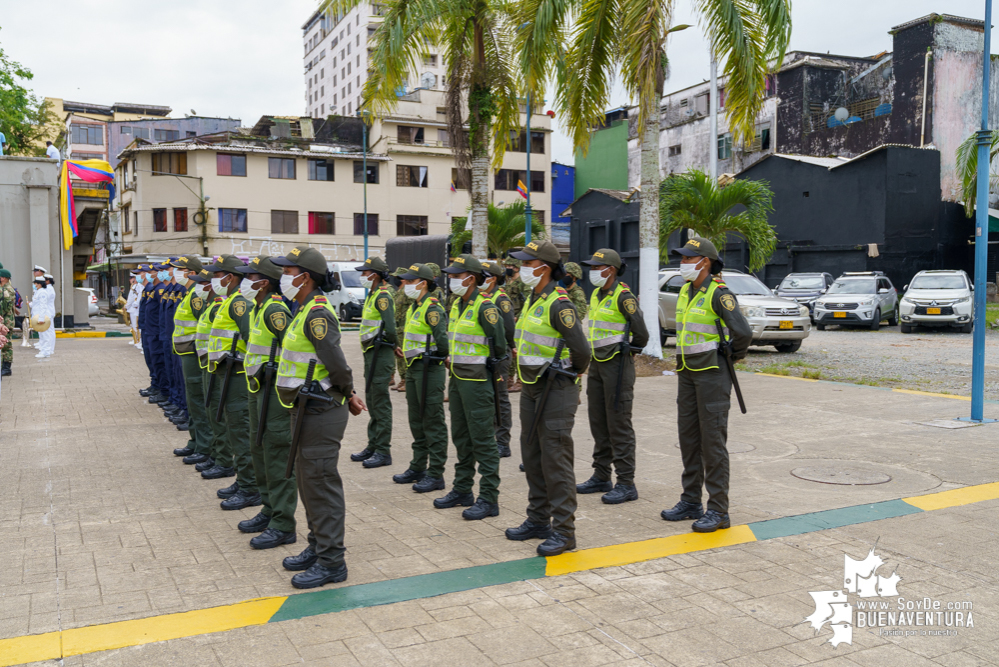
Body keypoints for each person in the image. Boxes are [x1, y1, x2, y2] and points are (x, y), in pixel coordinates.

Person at [273, 245, 366, 588]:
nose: (283, 276)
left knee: (321, 484)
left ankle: (332, 562)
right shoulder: (303, 309)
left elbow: (337, 364)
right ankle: (317, 546)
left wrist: (348, 393)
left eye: (287, 271)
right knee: (308, 483)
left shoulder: (317, 313)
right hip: (305, 407)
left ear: (304, 277)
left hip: (321, 408)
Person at [504, 240, 589, 556]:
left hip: (556, 389)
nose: (522, 268)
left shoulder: (559, 303)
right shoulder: (533, 298)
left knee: (556, 460)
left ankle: (564, 531)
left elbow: (582, 351)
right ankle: (538, 519)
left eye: (528, 263)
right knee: (533, 455)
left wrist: (571, 372)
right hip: (531, 386)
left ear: (545, 267)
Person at [662, 237, 752, 533]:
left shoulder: (719, 293)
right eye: (683, 258)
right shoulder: (687, 290)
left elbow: (742, 333)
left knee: (712, 444)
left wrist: (728, 358)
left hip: (713, 374)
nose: (683, 263)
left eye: (689, 259)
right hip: (687, 373)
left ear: (705, 262)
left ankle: (718, 510)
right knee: (689, 440)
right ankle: (690, 501)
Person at [234, 256, 299, 550]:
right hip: (258, 388)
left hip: (274, 392)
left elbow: (293, 348)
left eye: (251, 276)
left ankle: (283, 523)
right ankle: (269, 509)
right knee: (259, 449)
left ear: (263, 281)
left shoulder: (275, 309)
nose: (245, 280)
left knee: (276, 455)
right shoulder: (259, 308)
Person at [576, 249, 649, 504]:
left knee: (618, 424)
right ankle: (601, 475)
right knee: (599, 422)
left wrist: (628, 353)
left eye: (598, 267)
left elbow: (642, 334)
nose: (593, 272)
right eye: (592, 267)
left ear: (611, 269)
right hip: (597, 365)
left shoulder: (623, 296)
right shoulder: (597, 294)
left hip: (617, 367)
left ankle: (626, 483)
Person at [436, 254, 504, 519]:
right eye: (450, 275)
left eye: (455, 276)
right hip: (457, 379)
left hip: (477, 381)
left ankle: (489, 498)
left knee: (483, 440)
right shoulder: (456, 304)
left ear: (471, 278)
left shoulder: (485, 307)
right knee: (461, 437)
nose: (451, 280)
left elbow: (498, 344)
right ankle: (463, 489)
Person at [204, 255, 259, 510]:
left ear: (230, 277)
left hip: (237, 376)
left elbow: (250, 339)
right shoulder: (229, 300)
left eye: (217, 275)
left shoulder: (239, 303)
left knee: (240, 431)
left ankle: (250, 487)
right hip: (226, 373)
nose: (213, 279)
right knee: (233, 429)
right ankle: (243, 477)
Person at [392, 263, 449, 493]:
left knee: (432, 421)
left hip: (429, 370)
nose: (404, 284)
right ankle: (418, 466)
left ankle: (435, 473)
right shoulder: (417, 306)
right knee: (416, 420)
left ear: (423, 283)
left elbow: (443, 343)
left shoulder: (432, 308)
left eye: (409, 281)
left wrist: (432, 356)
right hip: (415, 369)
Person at [349, 256, 396, 468]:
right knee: (372, 399)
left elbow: (390, 327)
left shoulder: (383, 296)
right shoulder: (373, 294)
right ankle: (373, 444)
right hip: (371, 352)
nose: (362, 276)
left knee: (380, 402)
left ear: (374, 275)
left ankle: (383, 450)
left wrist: (393, 345)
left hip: (381, 352)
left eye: (364, 273)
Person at [168, 256, 207, 454]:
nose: (175, 273)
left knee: (198, 402)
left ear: (191, 273)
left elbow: (205, 327)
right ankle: (195, 442)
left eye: (179, 269)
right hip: (186, 354)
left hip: (194, 355)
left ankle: (203, 446)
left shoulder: (196, 297)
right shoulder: (188, 293)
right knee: (192, 402)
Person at [481, 261, 516, 458]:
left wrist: (510, 347)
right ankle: (492, 436)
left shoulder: (500, 299)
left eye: (482, 276)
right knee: (489, 397)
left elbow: (509, 328)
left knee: (500, 399)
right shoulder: (482, 298)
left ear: (492, 278)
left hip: (499, 356)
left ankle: (503, 442)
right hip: (485, 355)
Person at [391, 267, 411, 393]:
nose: (395, 279)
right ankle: (403, 379)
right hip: (397, 327)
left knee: (404, 356)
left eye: (397, 277)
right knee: (399, 357)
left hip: (404, 328)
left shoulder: (407, 292)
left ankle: (407, 381)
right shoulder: (398, 291)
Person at [30, 276, 55, 358]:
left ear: (39, 284)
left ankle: (46, 352)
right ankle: (43, 350)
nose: (34, 285)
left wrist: (41, 318)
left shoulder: (43, 293)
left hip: (42, 317)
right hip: (38, 316)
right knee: (42, 334)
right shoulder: (38, 292)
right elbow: (36, 305)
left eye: (36, 283)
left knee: (45, 335)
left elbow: (43, 306)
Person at [0, 270, 15, 376]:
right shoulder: (4, 288)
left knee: (6, 344)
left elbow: (5, 308)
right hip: (4, 321)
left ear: (3, 278)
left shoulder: (7, 290)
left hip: (6, 321)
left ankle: (6, 367)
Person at [125, 272, 142, 348]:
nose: (130, 280)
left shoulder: (136, 287)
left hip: (134, 309)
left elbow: (131, 299)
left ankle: (138, 341)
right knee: (134, 325)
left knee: (136, 326)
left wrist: (126, 306)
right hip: (133, 309)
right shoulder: (134, 286)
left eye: (131, 278)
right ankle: (136, 339)